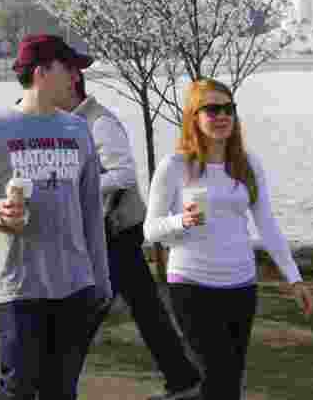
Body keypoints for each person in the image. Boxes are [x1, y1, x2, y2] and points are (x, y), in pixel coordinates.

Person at [0, 34, 111, 400]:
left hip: (76, 285)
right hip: (21, 286)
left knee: (62, 391)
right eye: (68, 69)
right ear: (41, 73)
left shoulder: (78, 128)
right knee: (17, 387)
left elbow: (91, 211)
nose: (75, 78)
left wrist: (102, 278)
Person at [145, 78, 313, 400]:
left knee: (228, 384)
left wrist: (295, 278)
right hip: (191, 284)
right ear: (194, 116)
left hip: (240, 286)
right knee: (217, 379)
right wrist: (183, 220)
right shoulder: (175, 166)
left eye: (229, 109)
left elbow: (266, 224)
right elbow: (150, 230)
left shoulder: (247, 165)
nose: (222, 116)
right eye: (212, 109)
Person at [67, 72, 202, 400]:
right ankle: (184, 380)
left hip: (116, 229)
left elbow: (124, 173)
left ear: (70, 82)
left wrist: (75, 188)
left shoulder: (99, 122)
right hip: (110, 229)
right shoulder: (72, 122)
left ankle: (53, 384)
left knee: (89, 310)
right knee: (144, 308)